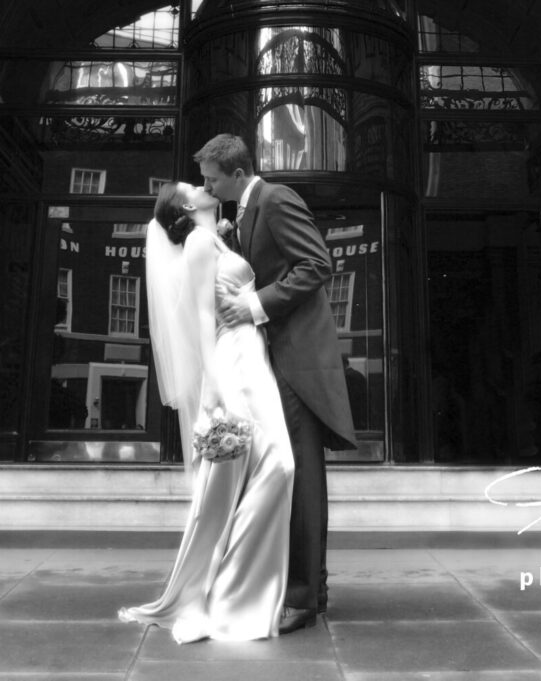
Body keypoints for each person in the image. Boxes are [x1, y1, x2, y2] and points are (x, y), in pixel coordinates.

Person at [117, 181, 294, 643]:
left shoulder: (214, 235)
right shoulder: (197, 243)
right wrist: (215, 387)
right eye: (192, 187)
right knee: (278, 466)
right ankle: (234, 596)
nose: (202, 185)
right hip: (234, 361)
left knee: (274, 467)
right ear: (187, 207)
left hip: (253, 357)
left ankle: (237, 589)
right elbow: (199, 315)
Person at [197, 133, 356, 634]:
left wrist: (254, 305)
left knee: (301, 475)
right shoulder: (240, 212)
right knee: (288, 473)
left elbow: (317, 264)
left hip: (296, 363)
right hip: (270, 362)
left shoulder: (276, 199)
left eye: (212, 177)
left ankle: (305, 598)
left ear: (238, 173)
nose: (206, 184)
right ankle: (307, 586)